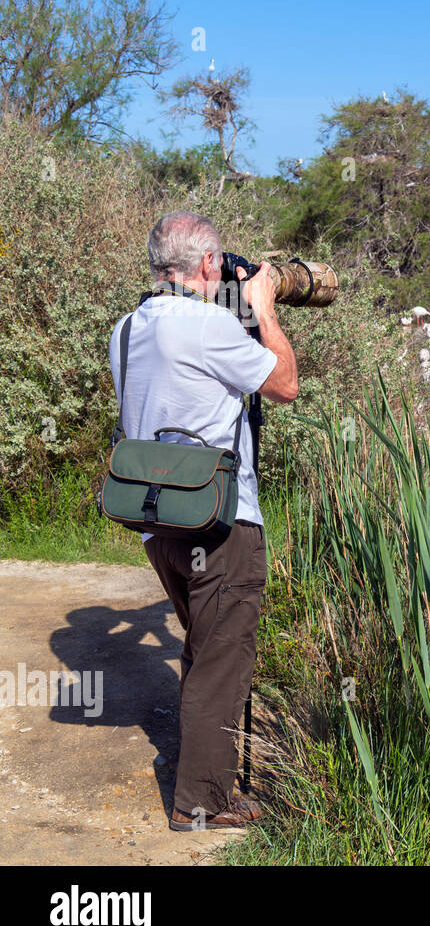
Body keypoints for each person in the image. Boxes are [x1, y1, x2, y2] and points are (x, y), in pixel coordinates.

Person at [109, 210, 298, 830]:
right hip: (220, 520)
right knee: (223, 657)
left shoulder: (127, 329)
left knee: (203, 648)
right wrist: (263, 307)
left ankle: (203, 778)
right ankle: (201, 804)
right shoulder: (211, 325)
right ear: (210, 265)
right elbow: (284, 385)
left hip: (158, 519)